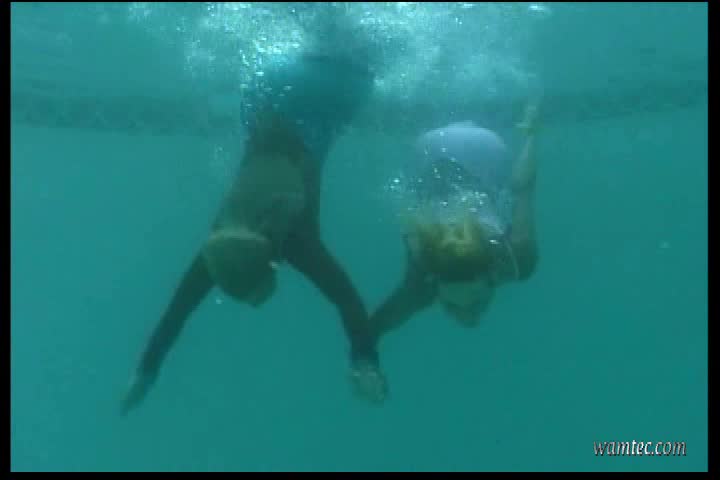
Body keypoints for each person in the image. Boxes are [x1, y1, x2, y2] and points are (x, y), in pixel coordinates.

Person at [121, 50, 388, 416]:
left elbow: (349, 301)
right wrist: (145, 371)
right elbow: (174, 316)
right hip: (270, 81)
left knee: (358, 57)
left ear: (272, 261)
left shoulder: (295, 241)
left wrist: (365, 363)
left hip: (336, 89)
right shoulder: (219, 245)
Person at [370, 102, 540, 337]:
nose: (467, 318)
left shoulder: (520, 260)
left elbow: (523, 187)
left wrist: (531, 132)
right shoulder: (423, 273)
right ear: (490, 278)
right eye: (475, 305)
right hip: (429, 147)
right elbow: (523, 187)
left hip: (487, 148)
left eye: (452, 307)